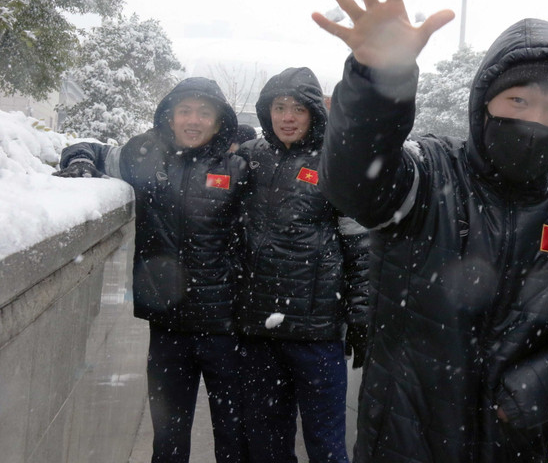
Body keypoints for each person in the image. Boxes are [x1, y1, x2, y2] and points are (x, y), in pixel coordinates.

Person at [311, 0, 548, 463]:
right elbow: (356, 184)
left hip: (513, 446)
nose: (535, 120)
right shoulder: (429, 171)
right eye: (517, 100)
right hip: (403, 445)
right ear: (483, 102)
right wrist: (379, 82)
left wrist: (541, 382)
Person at [54, 77, 248, 463]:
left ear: (218, 120)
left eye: (204, 113)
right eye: (185, 111)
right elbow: (89, 148)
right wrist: (78, 161)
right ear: (170, 116)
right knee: (169, 437)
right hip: (168, 327)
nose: (193, 120)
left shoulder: (239, 167)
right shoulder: (144, 155)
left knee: (234, 433)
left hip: (225, 328)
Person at [236, 66, 369, 463]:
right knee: (268, 444)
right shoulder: (249, 158)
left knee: (325, 444)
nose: (287, 117)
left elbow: (361, 246)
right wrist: (84, 154)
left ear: (314, 113)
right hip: (259, 331)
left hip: (317, 334)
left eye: (297, 108)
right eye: (279, 107)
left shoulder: (336, 162)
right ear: (267, 111)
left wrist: (362, 316)